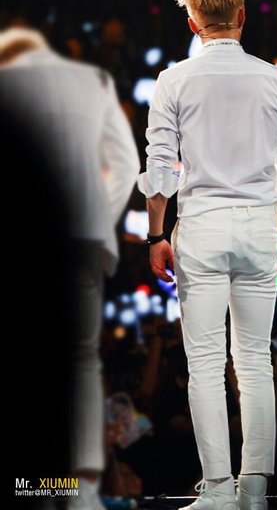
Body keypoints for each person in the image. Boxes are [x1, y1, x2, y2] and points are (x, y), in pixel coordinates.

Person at [137, 0, 277, 510]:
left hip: (203, 228)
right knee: (255, 360)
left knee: (207, 365)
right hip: (259, 228)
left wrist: (155, 235)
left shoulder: (173, 80)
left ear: (193, 23)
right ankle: (254, 492)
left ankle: (216, 490)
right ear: (241, 16)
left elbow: (160, 170)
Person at [0, 27, 140, 510]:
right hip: (84, 236)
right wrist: (94, 215)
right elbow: (127, 165)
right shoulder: (94, 80)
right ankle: (81, 493)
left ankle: (34, 489)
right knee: (82, 359)